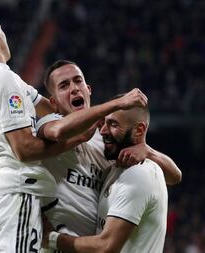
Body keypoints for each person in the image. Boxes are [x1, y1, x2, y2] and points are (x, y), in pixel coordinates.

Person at [0, 6, 147, 252]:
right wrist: (109, 111)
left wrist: (130, 137)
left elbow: (49, 108)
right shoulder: (2, 79)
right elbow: (24, 149)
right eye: (1, 28)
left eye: (78, 83)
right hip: (13, 194)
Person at [37, 60, 180, 249]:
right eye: (64, 85)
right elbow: (58, 131)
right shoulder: (48, 127)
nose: (74, 89)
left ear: (88, 90)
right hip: (53, 245)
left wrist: (146, 150)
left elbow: (174, 176)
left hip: (88, 246)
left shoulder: (107, 140)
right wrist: (118, 103)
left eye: (78, 81)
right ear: (53, 102)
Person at [43, 96, 168, 253]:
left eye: (113, 124)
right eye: (104, 123)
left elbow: (106, 247)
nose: (102, 131)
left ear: (139, 130)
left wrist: (51, 239)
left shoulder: (139, 174)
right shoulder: (115, 169)